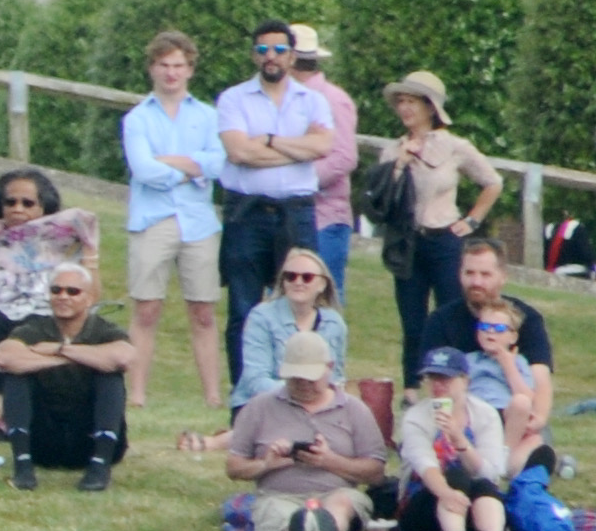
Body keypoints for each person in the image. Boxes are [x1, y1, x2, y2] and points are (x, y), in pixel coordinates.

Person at [211, 21, 341, 347]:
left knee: (303, 300)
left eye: (280, 50)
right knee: (244, 306)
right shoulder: (233, 99)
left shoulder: (312, 101)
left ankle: (298, 382)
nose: (272, 56)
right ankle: (246, 392)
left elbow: (323, 146)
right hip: (246, 210)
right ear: (254, 56)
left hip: (296, 211)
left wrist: (269, 141)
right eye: (263, 49)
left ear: (292, 56)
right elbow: (239, 152)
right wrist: (298, 150)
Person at [119, 30, 230, 408]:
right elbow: (143, 169)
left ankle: (212, 395)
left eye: (178, 66)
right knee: (147, 308)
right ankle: (135, 394)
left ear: (190, 70)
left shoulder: (207, 116)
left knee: (202, 310)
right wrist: (189, 168)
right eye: (164, 65)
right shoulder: (137, 118)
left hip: (198, 221)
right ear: (152, 68)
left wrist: (171, 163)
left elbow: (218, 163)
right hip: (152, 219)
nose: (171, 73)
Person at [371, 69, 500, 365]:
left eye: (412, 102)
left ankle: (462, 379)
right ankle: (413, 388)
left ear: (430, 107)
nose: (404, 108)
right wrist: (401, 163)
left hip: (445, 240)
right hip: (407, 242)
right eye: (400, 101)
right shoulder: (391, 150)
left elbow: (492, 182)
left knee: (454, 314)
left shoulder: (455, 146)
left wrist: (472, 220)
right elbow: (381, 199)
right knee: (412, 321)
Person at [225, 331, 386, 531]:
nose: (303, 385)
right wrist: (266, 464)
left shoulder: (354, 409)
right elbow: (233, 467)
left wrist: (329, 460)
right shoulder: (259, 407)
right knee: (280, 512)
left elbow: (376, 473)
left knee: (341, 504)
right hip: (279, 496)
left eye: (310, 378)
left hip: (337, 492)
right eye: (295, 378)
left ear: (329, 368)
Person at [0, 260, 142, 493]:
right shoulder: (34, 329)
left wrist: (60, 349)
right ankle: (22, 465)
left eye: (73, 291)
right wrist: (79, 358)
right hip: (44, 440)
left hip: (88, 438)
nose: (63, 296)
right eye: (56, 290)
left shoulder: (104, 330)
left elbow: (124, 357)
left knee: (110, 376)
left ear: (89, 299)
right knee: (16, 375)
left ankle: (99, 467)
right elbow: (4, 357)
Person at [0, 168, 98, 358]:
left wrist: (90, 252)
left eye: (27, 203)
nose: (18, 209)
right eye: (10, 202)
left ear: (43, 208)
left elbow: (90, 299)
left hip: (47, 324)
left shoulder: (63, 246)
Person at [430, 239, 553, 460]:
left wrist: (539, 418)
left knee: (534, 451)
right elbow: (436, 384)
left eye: (485, 275)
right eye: (469, 273)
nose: (476, 282)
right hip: (465, 415)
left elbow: (540, 379)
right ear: (460, 274)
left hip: (515, 417)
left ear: (502, 276)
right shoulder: (442, 320)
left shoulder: (526, 319)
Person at [389, 347, 512, 531]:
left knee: (483, 485)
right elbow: (425, 466)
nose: (438, 385)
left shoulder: (485, 414)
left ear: (465, 380)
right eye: (432, 378)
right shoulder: (416, 417)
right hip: (425, 505)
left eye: (446, 379)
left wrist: (459, 440)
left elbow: (490, 471)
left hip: (473, 503)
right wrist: (446, 493)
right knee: (455, 477)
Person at [234, 246, 349, 409]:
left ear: (322, 284)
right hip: (262, 406)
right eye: (290, 276)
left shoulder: (334, 323)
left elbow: (335, 379)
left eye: (307, 277)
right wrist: (299, 394)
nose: (298, 282)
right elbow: (255, 381)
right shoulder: (261, 317)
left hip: (318, 406)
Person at [293, 25, 358, 304]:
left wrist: (295, 181)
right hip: (289, 216)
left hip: (325, 217)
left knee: (324, 300)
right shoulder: (282, 98)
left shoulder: (332, 99)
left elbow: (344, 156)